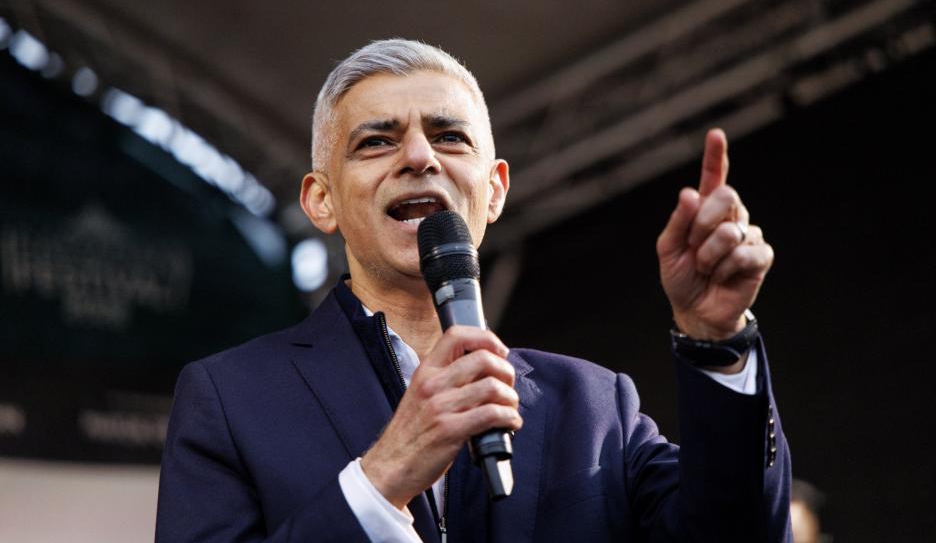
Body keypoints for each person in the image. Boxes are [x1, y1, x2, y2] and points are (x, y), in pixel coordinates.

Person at [156, 39, 792, 542]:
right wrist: (380, 482)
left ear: (495, 190)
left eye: (449, 136)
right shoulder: (230, 400)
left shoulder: (595, 407)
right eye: (377, 141)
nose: (419, 157)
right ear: (321, 200)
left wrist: (717, 344)